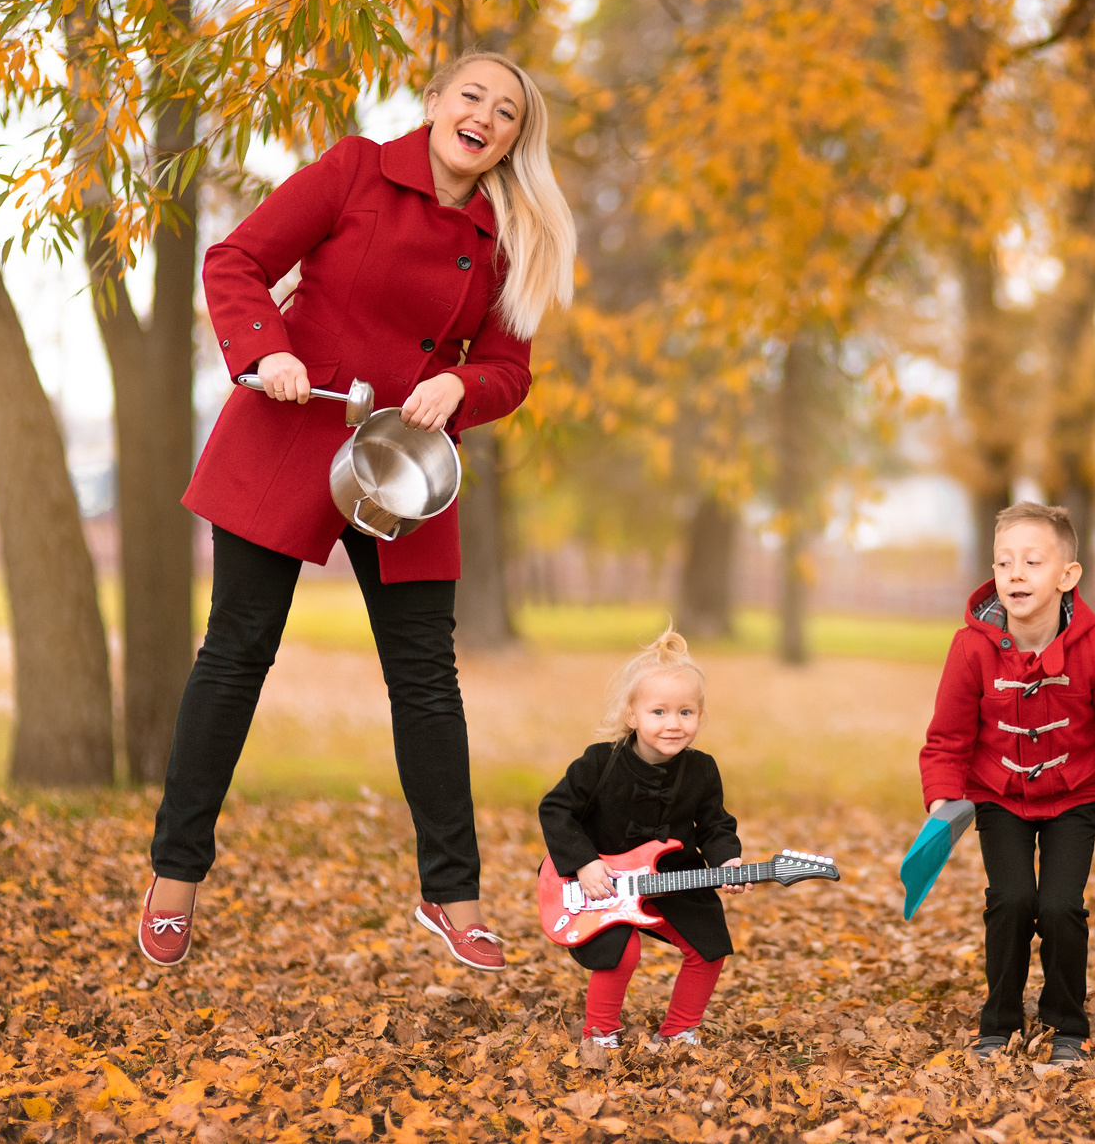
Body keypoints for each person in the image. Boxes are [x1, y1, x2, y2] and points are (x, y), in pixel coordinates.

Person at [136, 51, 576, 971]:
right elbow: (237, 259)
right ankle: (174, 879)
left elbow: (510, 371)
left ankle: (452, 898)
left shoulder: (510, 237)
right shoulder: (354, 169)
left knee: (426, 679)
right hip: (294, 427)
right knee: (236, 650)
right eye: (472, 97)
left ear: (512, 139)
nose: (485, 117)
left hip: (403, 463)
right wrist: (266, 353)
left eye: (506, 112)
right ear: (434, 102)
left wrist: (459, 383)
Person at [919, 503, 1095, 1064]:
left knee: (1058, 907)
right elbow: (947, 739)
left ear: (1067, 576)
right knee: (1011, 900)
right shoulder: (970, 649)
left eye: (1032, 561)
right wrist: (940, 801)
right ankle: (998, 1022)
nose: (1016, 574)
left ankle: (1067, 1024)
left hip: (1074, 798)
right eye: (1004, 563)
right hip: (998, 797)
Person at [537, 631, 750, 1049]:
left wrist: (727, 859)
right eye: (658, 712)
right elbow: (555, 809)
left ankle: (679, 1030)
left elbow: (714, 825)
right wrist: (583, 861)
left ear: (700, 715)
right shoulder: (598, 763)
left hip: (672, 880)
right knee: (622, 953)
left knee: (710, 946)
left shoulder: (702, 770)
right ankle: (599, 1034)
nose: (674, 723)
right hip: (597, 885)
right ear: (631, 715)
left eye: (686, 712)